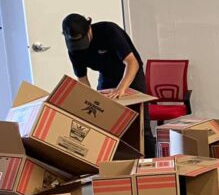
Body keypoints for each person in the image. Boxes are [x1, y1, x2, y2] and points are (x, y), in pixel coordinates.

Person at [62, 14, 156, 157]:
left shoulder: (109, 31)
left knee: (141, 126)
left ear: (89, 29)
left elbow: (132, 63)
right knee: (105, 122)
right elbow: (83, 80)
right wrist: (88, 102)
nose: (79, 47)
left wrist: (121, 89)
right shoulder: (74, 49)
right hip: (107, 77)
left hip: (130, 74)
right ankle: (115, 165)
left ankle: (152, 164)